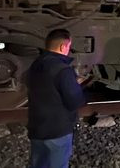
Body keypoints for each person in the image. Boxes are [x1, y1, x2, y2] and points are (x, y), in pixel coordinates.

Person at [27, 29, 86, 168]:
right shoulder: (63, 70)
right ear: (63, 47)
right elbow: (74, 101)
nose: (69, 50)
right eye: (69, 47)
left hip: (37, 130)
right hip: (57, 131)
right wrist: (76, 86)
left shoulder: (35, 65)